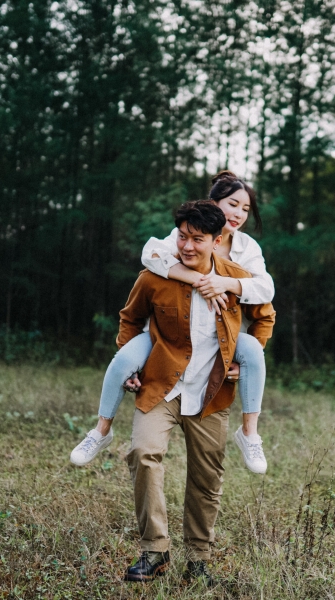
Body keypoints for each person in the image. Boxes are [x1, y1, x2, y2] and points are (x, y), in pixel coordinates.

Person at [114, 201, 275, 583]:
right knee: (142, 452)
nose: (187, 246)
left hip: (210, 394)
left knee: (206, 476)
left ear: (217, 240)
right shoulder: (155, 276)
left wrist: (250, 358)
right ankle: (155, 551)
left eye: (197, 239)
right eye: (183, 237)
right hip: (161, 387)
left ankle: (198, 559)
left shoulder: (237, 278)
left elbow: (265, 314)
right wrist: (128, 363)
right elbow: (130, 318)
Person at [70, 171, 274, 474]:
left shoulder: (246, 250)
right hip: (170, 333)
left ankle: (249, 433)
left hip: (221, 337)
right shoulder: (184, 237)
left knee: (254, 354)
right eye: (233, 204)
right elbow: (151, 255)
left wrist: (224, 283)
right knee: (123, 358)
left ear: (215, 241)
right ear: (213, 203)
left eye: (246, 209)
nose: (239, 214)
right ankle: (101, 430)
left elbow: (265, 291)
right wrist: (194, 277)